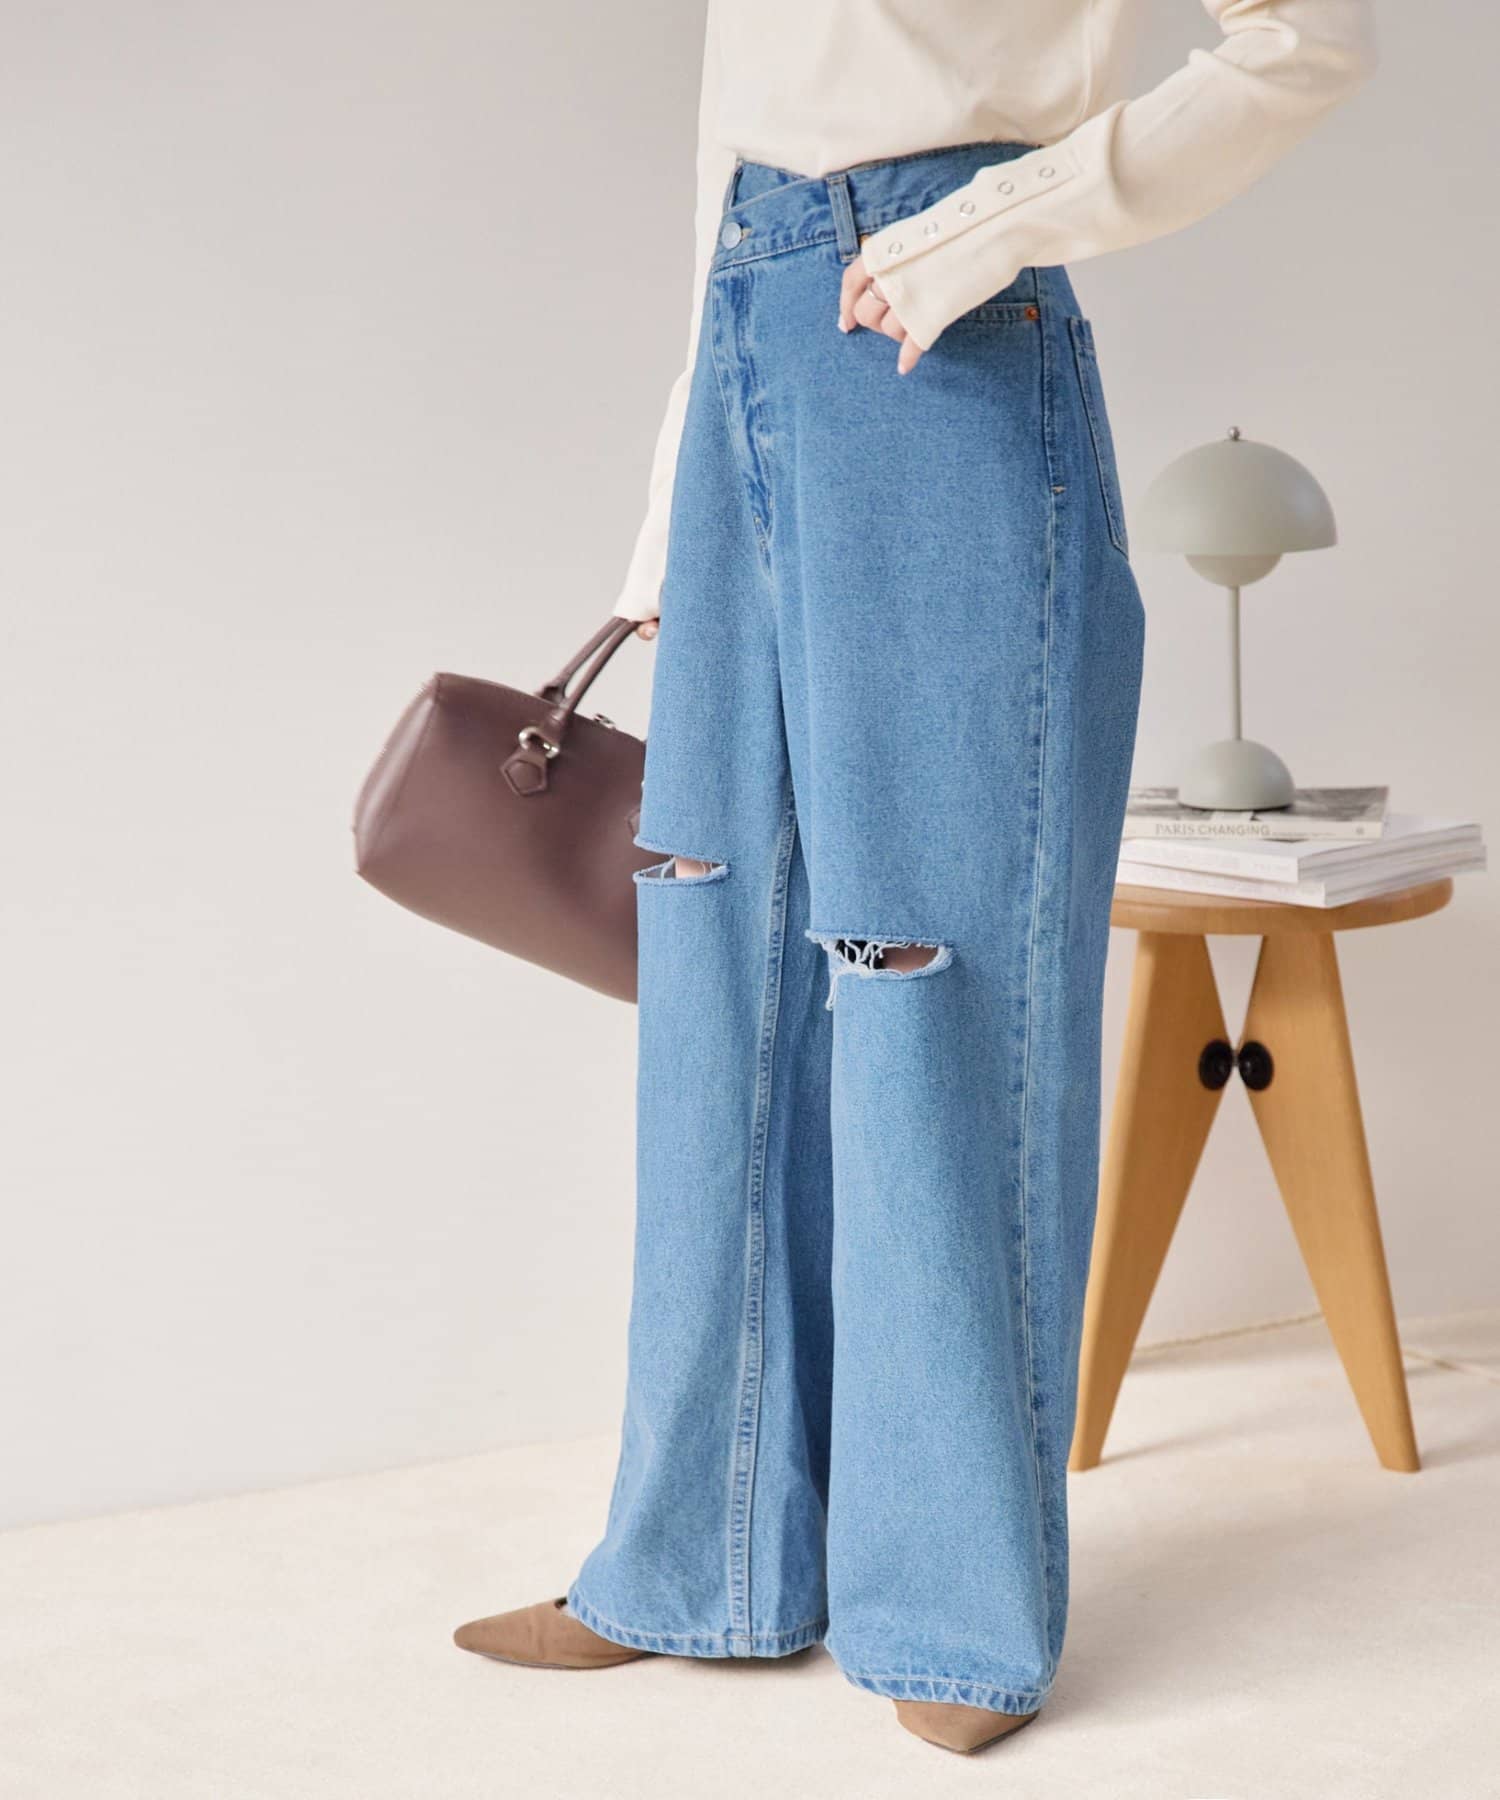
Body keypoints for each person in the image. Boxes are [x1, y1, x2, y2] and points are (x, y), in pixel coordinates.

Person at [455, 0, 1377, 1756]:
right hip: (748, 331)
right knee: (719, 976)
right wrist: (672, 506)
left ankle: (952, 1610)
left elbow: (1310, 41)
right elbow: (746, 127)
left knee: (933, 974)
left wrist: (993, 225)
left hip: (943, 346)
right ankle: (699, 1561)